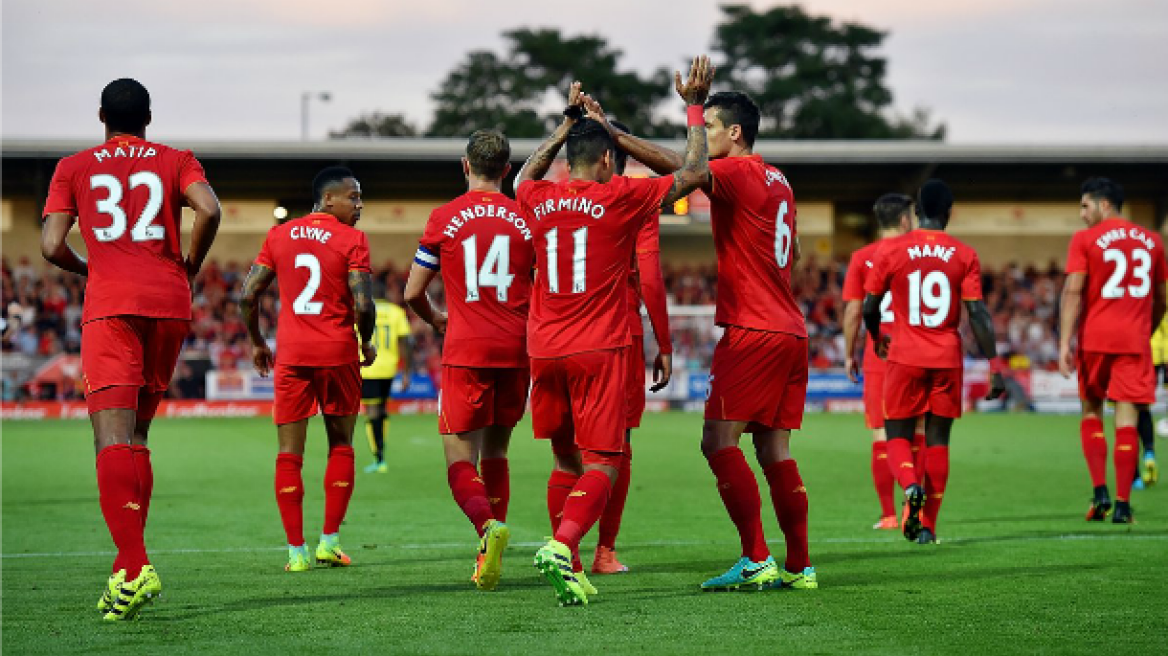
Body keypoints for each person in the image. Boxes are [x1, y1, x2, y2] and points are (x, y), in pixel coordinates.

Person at [515, 57, 712, 606]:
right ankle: (566, 546)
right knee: (605, 458)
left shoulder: (539, 197)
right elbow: (694, 173)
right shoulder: (623, 198)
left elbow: (520, 176)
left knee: (563, 459)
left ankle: (573, 562)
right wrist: (693, 106)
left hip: (544, 349)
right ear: (608, 160)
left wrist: (566, 124)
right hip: (600, 346)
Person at [40, 78, 222, 621]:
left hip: (112, 304)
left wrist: (88, 265)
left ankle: (135, 562)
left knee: (110, 439)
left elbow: (50, 246)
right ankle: (124, 575)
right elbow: (209, 210)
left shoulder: (73, 167)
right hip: (169, 302)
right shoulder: (176, 159)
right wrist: (189, 262)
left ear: (101, 115)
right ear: (149, 116)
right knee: (139, 436)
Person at [690, 90, 814, 591]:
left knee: (717, 440)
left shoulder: (736, 172)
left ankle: (756, 556)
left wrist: (616, 135)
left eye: (712, 127)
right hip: (790, 329)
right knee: (774, 449)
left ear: (733, 132)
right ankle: (800, 565)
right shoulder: (780, 181)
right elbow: (798, 251)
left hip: (754, 331)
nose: (706, 136)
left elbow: (686, 170)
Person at [403, 129, 534, 591]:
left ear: (465, 166)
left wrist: (437, 318)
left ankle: (487, 529)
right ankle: (489, 555)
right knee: (498, 452)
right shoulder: (526, 217)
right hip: (518, 349)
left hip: (467, 348)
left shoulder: (444, 218)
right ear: (507, 170)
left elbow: (412, 291)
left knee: (461, 458)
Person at [239, 166, 377, 571]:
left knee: (289, 454)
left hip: (293, 356)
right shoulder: (352, 239)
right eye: (353, 197)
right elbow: (364, 303)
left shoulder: (279, 235)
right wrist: (364, 339)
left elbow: (248, 295)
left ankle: (296, 552)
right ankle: (329, 541)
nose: (359, 204)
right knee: (341, 445)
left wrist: (257, 342)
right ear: (328, 199)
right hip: (337, 354)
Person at [863, 179, 1006, 544]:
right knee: (938, 441)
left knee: (897, 435)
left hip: (905, 355)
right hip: (946, 357)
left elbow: (869, 306)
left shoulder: (891, 251)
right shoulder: (964, 254)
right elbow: (978, 314)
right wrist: (995, 365)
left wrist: (878, 338)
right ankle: (928, 527)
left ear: (917, 211)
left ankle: (910, 487)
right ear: (949, 212)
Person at [570, 114, 677, 576]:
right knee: (616, 446)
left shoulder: (551, 197)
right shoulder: (634, 199)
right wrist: (664, 342)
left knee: (565, 448)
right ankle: (603, 550)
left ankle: (566, 548)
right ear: (614, 153)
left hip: (556, 334)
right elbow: (649, 275)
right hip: (616, 334)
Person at [1058, 177, 1166, 523]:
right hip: (1134, 342)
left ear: (1104, 205)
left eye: (1085, 206)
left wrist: (1064, 341)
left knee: (1091, 412)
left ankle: (1100, 492)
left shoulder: (1085, 239)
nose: (1081, 214)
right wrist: (1146, 328)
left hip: (1095, 341)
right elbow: (1162, 298)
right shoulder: (1152, 241)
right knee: (1127, 420)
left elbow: (1074, 291)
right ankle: (1122, 504)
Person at [842, 193, 915, 530]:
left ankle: (888, 514)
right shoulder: (920, 254)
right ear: (904, 219)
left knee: (880, 435)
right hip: (917, 351)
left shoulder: (863, 257)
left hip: (878, 354)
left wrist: (849, 352)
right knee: (919, 436)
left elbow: (856, 309)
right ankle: (913, 508)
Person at [360, 285, 413, 474]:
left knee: (372, 411)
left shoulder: (362, 310)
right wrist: (406, 373)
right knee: (382, 409)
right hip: (389, 368)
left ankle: (379, 457)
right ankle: (381, 452)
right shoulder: (396, 312)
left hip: (369, 368)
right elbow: (406, 343)